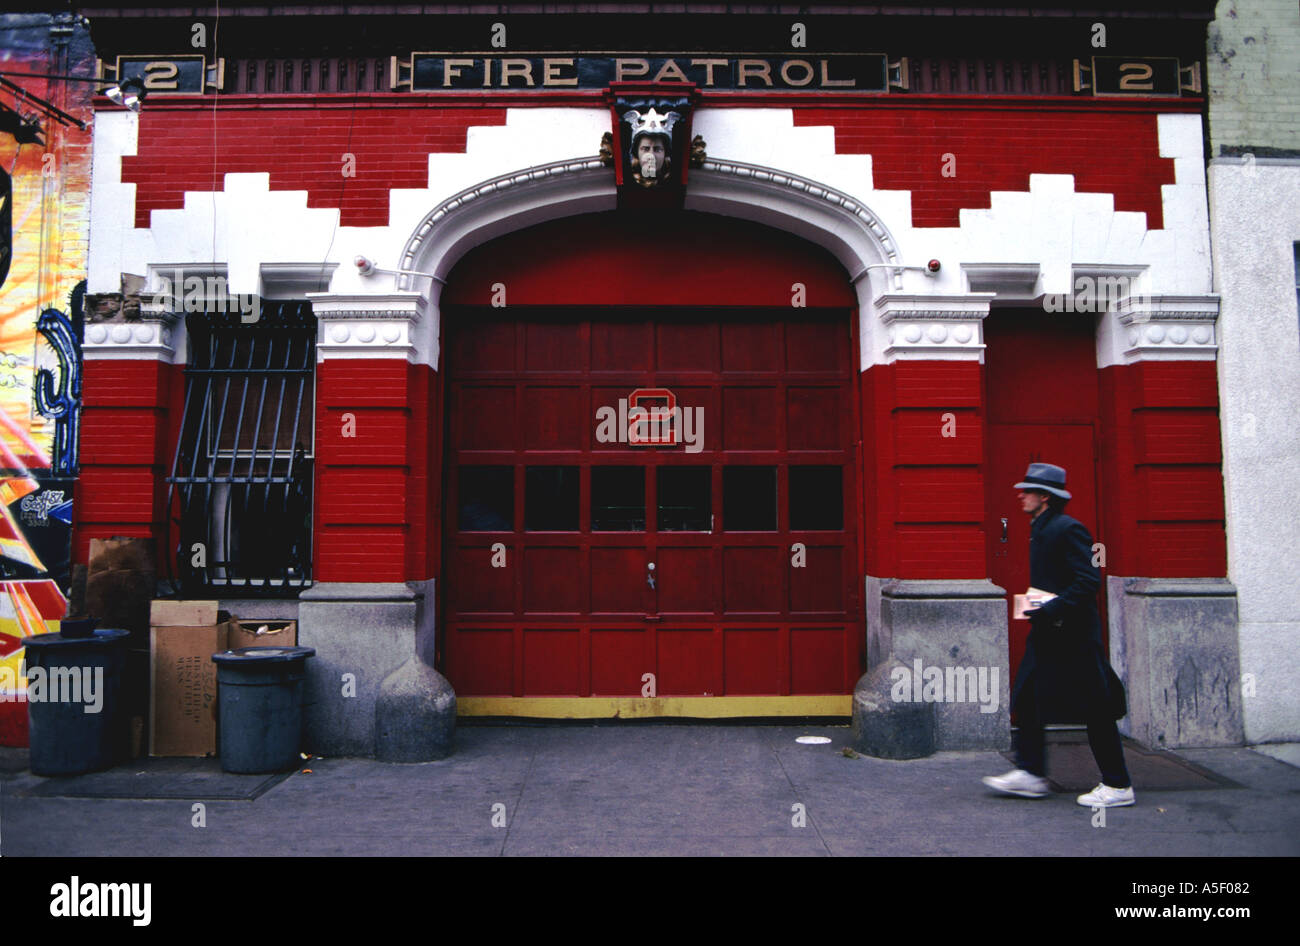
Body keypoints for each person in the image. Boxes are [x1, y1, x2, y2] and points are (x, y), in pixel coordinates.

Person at [983, 462, 1134, 808]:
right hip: (1050, 634)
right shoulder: (1042, 528)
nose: (1021, 496)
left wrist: (1049, 609)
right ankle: (1031, 774)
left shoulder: (1068, 529)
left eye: (1028, 491)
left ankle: (1118, 783)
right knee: (1028, 698)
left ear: (1044, 498)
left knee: (1096, 709)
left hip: (1074, 638)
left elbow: (1087, 581)